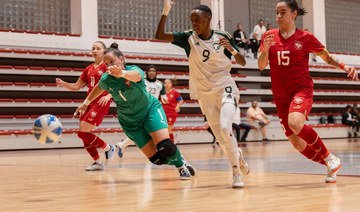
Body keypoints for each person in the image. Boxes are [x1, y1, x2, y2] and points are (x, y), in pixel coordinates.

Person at [257, 0, 359, 183]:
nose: (278, 16)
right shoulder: (269, 36)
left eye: (282, 12)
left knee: (295, 122)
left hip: (301, 90)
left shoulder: (305, 37)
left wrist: (344, 65)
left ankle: (329, 158)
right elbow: (261, 66)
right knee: (297, 143)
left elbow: (326, 57)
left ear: (294, 13)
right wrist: (265, 49)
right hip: (280, 96)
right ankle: (331, 163)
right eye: (276, 13)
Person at [155, 1, 249, 188]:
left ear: (209, 19)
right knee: (223, 141)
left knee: (224, 127)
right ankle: (237, 156)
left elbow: (243, 62)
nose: (194, 23)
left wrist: (231, 49)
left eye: (197, 19)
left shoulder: (223, 36)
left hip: (225, 87)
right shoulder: (188, 38)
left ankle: (236, 172)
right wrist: (166, 11)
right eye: (192, 20)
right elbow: (159, 35)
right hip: (205, 94)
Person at [74, 42, 195, 180]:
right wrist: (85, 103)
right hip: (130, 121)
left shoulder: (134, 70)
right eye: (106, 64)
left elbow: (136, 76)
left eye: (112, 62)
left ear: (122, 59)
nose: (109, 66)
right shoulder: (107, 78)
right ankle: (179, 159)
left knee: (165, 145)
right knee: (156, 159)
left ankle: (181, 167)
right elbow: (98, 88)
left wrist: (122, 73)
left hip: (149, 110)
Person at [56, 41, 116, 171]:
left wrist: (109, 96)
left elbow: (118, 83)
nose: (94, 50)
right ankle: (98, 162)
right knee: (83, 134)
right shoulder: (89, 69)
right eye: (93, 48)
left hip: (101, 103)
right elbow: (77, 86)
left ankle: (108, 147)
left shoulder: (107, 67)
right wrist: (63, 84)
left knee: (82, 132)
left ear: (104, 51)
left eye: (98, 48)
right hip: (88, 102)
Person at [117, 65, 168, 157]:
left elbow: (164, 97)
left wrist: (165, 99)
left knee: (152, 132)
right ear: (146, 72)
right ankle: (123, 144)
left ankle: (123, 144)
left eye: (154, 71)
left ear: (156, 73)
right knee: (143, 133)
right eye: (150, 71)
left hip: (152, 110)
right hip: (139, 109)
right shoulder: (140, 81)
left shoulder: (160, 84)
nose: (152, 73)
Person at [162, 78, 184, 143]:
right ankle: (169, 142)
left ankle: (171, 143)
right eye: (165, 83)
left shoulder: (175, 92)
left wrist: (178, 105)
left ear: (171, 84)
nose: (167, 84)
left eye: (168, 83)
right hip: (163, 113)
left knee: (169, 128)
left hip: (171, 113)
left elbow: (181, 100)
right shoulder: (162, 93)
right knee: (165, 129)